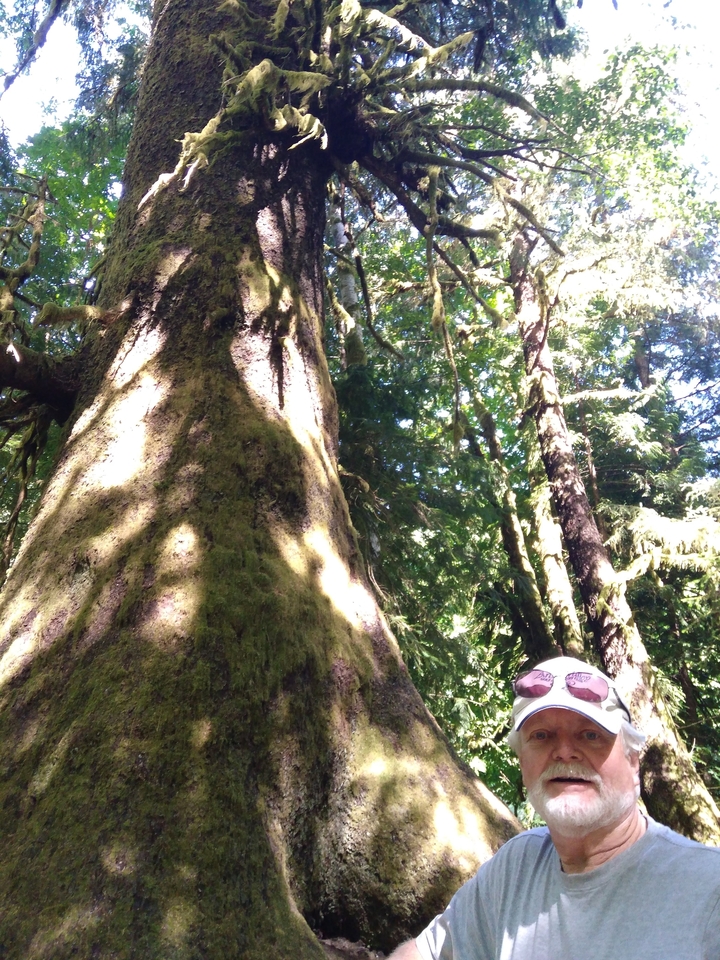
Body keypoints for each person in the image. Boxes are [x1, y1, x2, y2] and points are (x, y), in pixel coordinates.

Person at [389, 655, 720, 960]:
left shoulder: (708, 888)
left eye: (590, 735)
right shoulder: (515, 869)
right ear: (522, 762)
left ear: (633, 762)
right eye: (542, 736)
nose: (564, 752)